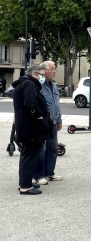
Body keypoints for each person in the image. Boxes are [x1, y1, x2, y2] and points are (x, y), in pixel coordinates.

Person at [13, 65, 50, 195]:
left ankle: (24, 182)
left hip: (26, 126)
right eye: (42, 75)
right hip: (31, 128)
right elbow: (30, 103)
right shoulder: (30, 84)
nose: (43, 77)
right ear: (34, 74)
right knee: (30, 155)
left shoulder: (23, 84)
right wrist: (39, 116)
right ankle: (25, 186)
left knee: (26, 155)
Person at [34, 61, 63, 185]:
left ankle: (49, 173)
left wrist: (59, 119)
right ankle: (39, 175)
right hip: (43, 122)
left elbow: (57, 104)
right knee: (41, 149)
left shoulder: (54, 85)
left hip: (53, 121)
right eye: (52, 69)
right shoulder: (39, 85)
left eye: (55, 69)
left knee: (53, 148)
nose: (54, 71)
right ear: (44, 71)